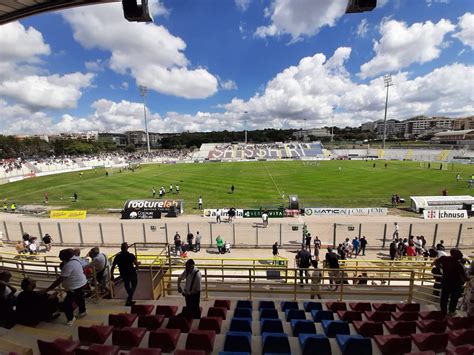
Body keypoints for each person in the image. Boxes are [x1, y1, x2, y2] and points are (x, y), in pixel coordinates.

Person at [44, 248, 88, 325]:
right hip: (81, 283)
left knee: (67, 304)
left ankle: (71, 318)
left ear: (65, 257)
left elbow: (60, 279)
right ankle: (82, 311)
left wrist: (48, 289)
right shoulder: (75, 259)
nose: (59, 257)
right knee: (79, 298)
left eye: (60, 256)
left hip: (73, 286)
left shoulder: (68, 266)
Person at [434, 248, 468, 315]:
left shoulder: (444, 258)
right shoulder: (459, 265)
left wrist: (441, 267)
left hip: (445, 282)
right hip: (455, 284)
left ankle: (443, 311)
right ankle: (451, 311)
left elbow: (435, 262)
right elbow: (463, 278)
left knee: (444, 298)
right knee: (454, 298)